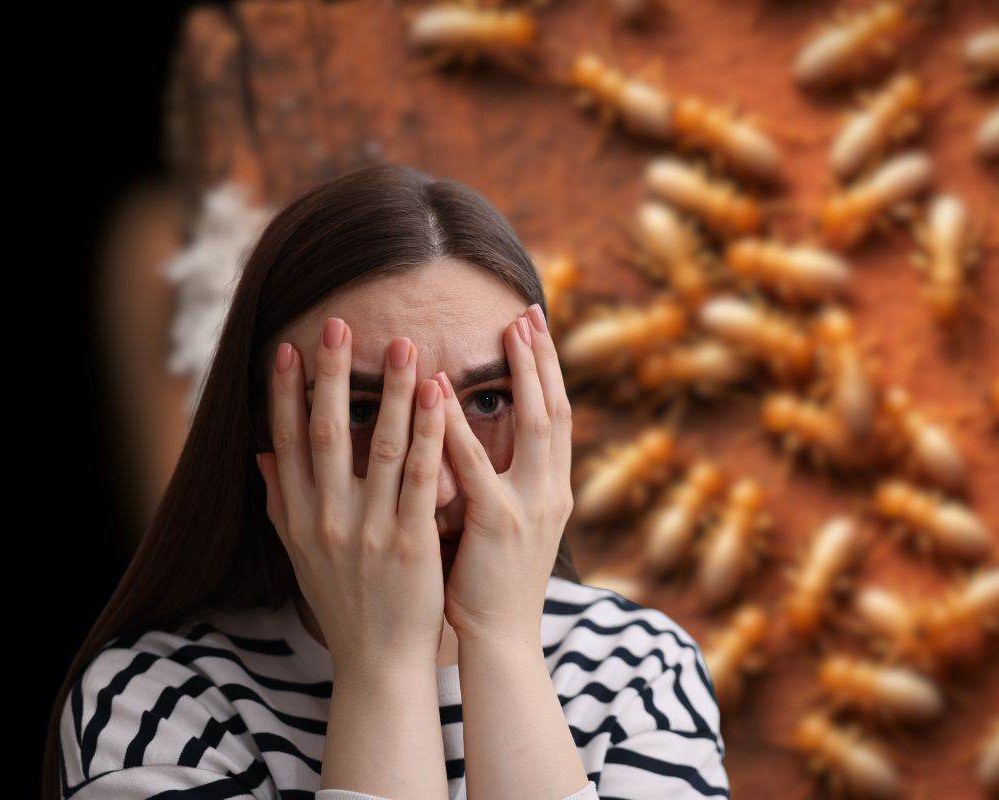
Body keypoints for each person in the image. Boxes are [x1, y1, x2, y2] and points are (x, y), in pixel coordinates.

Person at [45, 164, 730, 799]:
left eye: (488, 400)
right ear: (264, 430)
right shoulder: (155, 699)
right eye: (363, 410)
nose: (431, 487)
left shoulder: (642, 674)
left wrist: (501, 645)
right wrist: (385, 667)